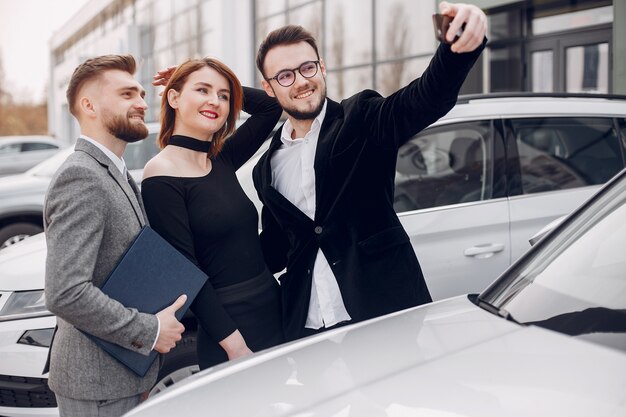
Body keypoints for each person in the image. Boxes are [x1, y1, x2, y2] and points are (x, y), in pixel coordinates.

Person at [252, 2, 488, 341]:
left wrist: (457, 47)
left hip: (383, 310)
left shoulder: (361, 117)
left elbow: (425, 98)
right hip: (306, 325)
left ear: (322, 68)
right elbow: (276, 247)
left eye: (307, 68)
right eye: (286, 76)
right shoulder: (266, 168)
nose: (301, 81)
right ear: (269, 87)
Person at [44, 54, 186, 417]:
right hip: (97, 385)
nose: (141, 102)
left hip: (124, 376)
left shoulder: (114, 170)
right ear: (88, 105)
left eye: (140, 93)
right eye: (126, 94)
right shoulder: (81, 177)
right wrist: (150, 331)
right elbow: (65, 292)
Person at [141, 57, 284, 370]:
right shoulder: (160, 175)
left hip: (274, 307)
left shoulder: (221, 159)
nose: (214, 101)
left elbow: (270, 107)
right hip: (231, 331)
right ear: (174, 97)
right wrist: (235, 346)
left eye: (223, 95)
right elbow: (185, 271)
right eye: (202, 90)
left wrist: (200, 74)